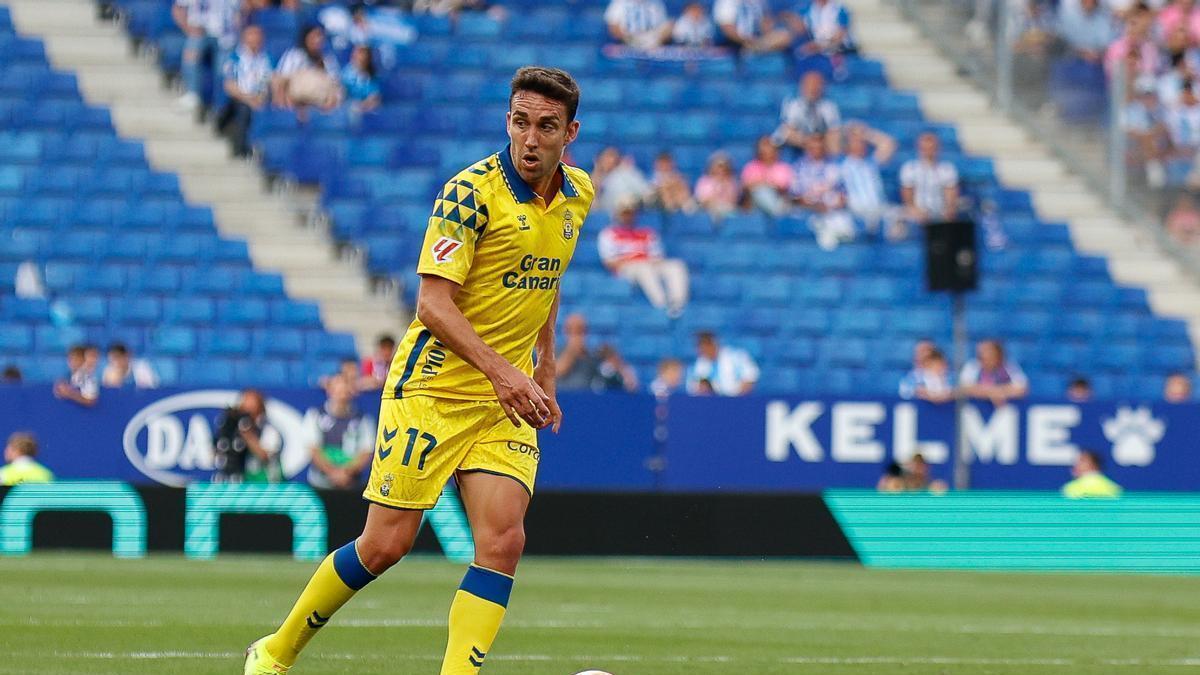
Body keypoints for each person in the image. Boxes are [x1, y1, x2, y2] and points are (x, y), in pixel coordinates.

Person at [244, 66, 595, 675]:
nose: (530, 139)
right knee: (385, 546)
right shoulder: (469, 194)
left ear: (570, 133)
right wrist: (503, 373)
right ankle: (274, 652)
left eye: (547, 127)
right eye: (520, 123)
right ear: (507, 121)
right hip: (432, 389)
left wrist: (543, 370)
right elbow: (432, 304)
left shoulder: (578, 195)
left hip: (501, 400)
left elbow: (547, 278)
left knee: (504, 541)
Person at [598, 198, 690, 317]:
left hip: (649, 265)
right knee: (643, 268)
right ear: (618, 214)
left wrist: (650, 261)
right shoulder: (609, 234)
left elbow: (658, 257)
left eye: (630, 213)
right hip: (626, 269)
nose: (628, 216)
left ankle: (677, 304)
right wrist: (633, 260)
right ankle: (661, 305)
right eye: (625, 213)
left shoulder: (646, 233)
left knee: (676, 265)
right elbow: (609, 261)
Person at [306, 375, 376, 490]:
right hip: (320, 484)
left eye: (345, 389)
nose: (342, 393)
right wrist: (332, 472)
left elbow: (367, 451)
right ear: (329, 390)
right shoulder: (315, 415)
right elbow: (313, 449)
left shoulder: (363, 419)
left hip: (353, 484)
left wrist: (346, 472)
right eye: (338, 389)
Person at [791, 132, 856, 250]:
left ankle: (833, 233)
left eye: (819, 147)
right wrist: (814, 205)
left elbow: (843, 195)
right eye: (812, 147)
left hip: (831, 210)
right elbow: (794, 197)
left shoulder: (834, 167)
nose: (816, 150)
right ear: (807, 147)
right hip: (807, 211)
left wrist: (833, 204)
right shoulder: (797, 168)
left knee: (842, 220)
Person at [173, 0, 239, 113]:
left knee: (223, 71)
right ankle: (192, 94)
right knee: (191, 55)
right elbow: (178, 8)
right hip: (200, 30)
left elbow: (243, 8)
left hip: (226, 34)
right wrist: (188, 28)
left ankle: (221, 106)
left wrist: (239, 25)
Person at [218, 24, 274, 159]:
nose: (255, 39)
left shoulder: (267, 59)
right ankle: (239, 149)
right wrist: (249, 99)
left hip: (260, 98)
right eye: (252, 35)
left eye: (258, 35)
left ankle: (264, 151)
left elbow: (271, 81)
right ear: (245, 38)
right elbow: (229, 85)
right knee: (244, 110)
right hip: (239, 99)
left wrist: (261, 97)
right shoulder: (234, 58)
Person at [840, 121, 899, 238]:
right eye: (856, 141)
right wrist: (850, 131)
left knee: (901, 222)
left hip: (879, 210)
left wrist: (866, 133)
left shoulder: (871, 163)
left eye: (862, 142)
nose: (861, 144)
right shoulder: (842, 165)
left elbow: (890, 143)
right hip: (856, 212)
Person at [214, 388, 282, 483]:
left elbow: (265, 456)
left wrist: (247, 433)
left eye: (250, 412)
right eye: (243, 410)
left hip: (267, 484)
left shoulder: (269, 431)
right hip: (246, 484)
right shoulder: (235, 431)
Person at [273, 24, 341, 112]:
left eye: (320, 37)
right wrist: (284, 105)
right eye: (314, 36)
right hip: (294, 105)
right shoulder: (294, 56)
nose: (318, 40)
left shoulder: (329, 60)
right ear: (306, 38)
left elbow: (336, 86)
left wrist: (330, 104)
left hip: (320, 109)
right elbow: (281, 81)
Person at [899, 131, 960, 225]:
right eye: (925, 148)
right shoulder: (910, 168)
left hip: (940, 212)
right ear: (919, 149)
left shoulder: (947, 169)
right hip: (917, 213)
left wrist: (948, 211)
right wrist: (917, 212)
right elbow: (908, 199)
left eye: (932, 148)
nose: (929, 151)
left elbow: (950, 198)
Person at [774, 71, 842, 154]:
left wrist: (819, 142)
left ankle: (834, 163)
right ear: (802, 86)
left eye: (817, 85)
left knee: (836, 137)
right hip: (799, 144)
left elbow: (834, 130)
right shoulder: (793, 104)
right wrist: (809, 142)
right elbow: (788, 130)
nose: (813, 88)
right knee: (786, 132)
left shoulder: (829, 106)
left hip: (822, 143)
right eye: (810, 84)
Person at [686, 331, 759, 396]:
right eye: (700, 346)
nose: (702, 349)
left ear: (713, 344)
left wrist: (734, 399)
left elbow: (750, 379)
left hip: (738, 401)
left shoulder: (737, 356)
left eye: (706, 344)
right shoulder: (698, 365)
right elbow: (695, 389)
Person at [959, 339, 1029, 406]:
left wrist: (998, 391)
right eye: (981, 352)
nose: (982, 355)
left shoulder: (1009, 367)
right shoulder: (972, 366)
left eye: (987, 351)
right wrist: (991, 392)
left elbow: (1022, 388)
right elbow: (965, 387)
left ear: (997, 354)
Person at [741, 135, 794, 217]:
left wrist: (763, 183)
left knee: (764, 191)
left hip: (777, 197)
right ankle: (778, 212)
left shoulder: (783, 167)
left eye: (768, 145)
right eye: (764, 146)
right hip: (754, 203)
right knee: (760, 191)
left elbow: (783, 187)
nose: (766, 149)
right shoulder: (751, 166)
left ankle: (778, 212)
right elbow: (746, 186)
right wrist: (766, 184)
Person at [712, 0, 793, 52]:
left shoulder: (758, 2)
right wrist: (745, 40)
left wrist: (774, 22)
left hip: (755, 41)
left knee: (784, 35)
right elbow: (727, 28)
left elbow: (764, 24)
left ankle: (758, 48)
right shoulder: (726, 2)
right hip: (733, 44)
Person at [592, 146, 654, 213]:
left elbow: (646, 192)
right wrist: (597, 171)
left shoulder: (627, 172)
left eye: (612, 156)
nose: (610, 160)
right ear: (600, 159)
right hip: (607, 213)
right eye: (607, 157)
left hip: (632, 210)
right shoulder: (596, 177)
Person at [555, 313, 601, 391]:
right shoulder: (555, 351)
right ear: (565, 331)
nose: (577, 335)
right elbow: (556, 373)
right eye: (571, 330)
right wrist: (572, 351)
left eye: (580, 330)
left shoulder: (593, 356)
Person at [605, 0, 673, 49]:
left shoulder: (656, 3)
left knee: (671, 24)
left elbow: (664, 26)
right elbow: (613, 26)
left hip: (653, 42)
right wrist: (630, 39)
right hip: (627, 41)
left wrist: (656, 41)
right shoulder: (619, 2)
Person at [694, 151, 741, 219]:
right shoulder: (703, 181)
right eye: (718, 166)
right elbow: (700, 199)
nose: (720, 169)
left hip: (726, 210)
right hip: (706, 210)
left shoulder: (733, 182)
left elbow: (733, 200)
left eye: (723, 166)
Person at [341, 45, 382, 113]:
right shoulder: (345, 74)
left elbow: (375, 97)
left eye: (362, 52)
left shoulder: (372, 75)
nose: (357, 55)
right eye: (356, 52)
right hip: (350, 110)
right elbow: (342, 95)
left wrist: (364, 105)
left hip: (368, 110)